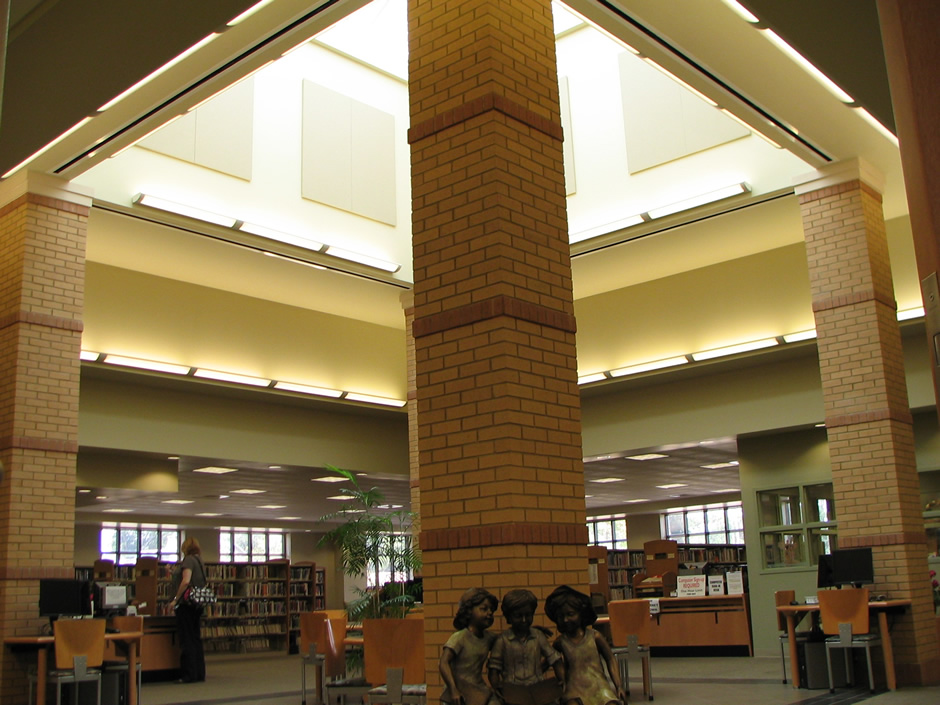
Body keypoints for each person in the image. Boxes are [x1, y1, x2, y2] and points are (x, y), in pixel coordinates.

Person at [545, 585, 626, 705]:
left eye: (570, 614)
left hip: (599, 687)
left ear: (581, 613)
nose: (566, 619)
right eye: (561, 616)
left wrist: (618, 686)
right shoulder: (560, 642)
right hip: (574, 689)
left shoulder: (594, 637)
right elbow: (547, 662)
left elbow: (610, 659)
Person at [489, 589, 564, 702]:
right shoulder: (502, 640)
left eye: (528, 615)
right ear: (508, 617)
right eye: (518, 616)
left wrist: (563, 680)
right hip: (512, 690)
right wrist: (497, 687)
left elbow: (555, 659)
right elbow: (494, 669)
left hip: (538, 688)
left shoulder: (538, 636)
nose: (524, 620)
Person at [440, 587, 499, 705]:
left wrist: (530, 631)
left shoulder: (488, 638)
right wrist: (453, 689)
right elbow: (443, 663)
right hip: (458, 689)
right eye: (484, 609)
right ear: (469, 611)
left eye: (491, 610)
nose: (489, 613)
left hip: (477, 689)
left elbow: (507, 639)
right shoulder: (460, 637)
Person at [170, 537, 207, 682]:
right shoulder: (199, 561)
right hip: (197, 604)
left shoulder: (188, 560)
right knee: (196, 638)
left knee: (187, 640)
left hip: (186, 604)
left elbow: (186, 581)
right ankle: (199, 673)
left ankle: (189, 674)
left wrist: (175, 600)